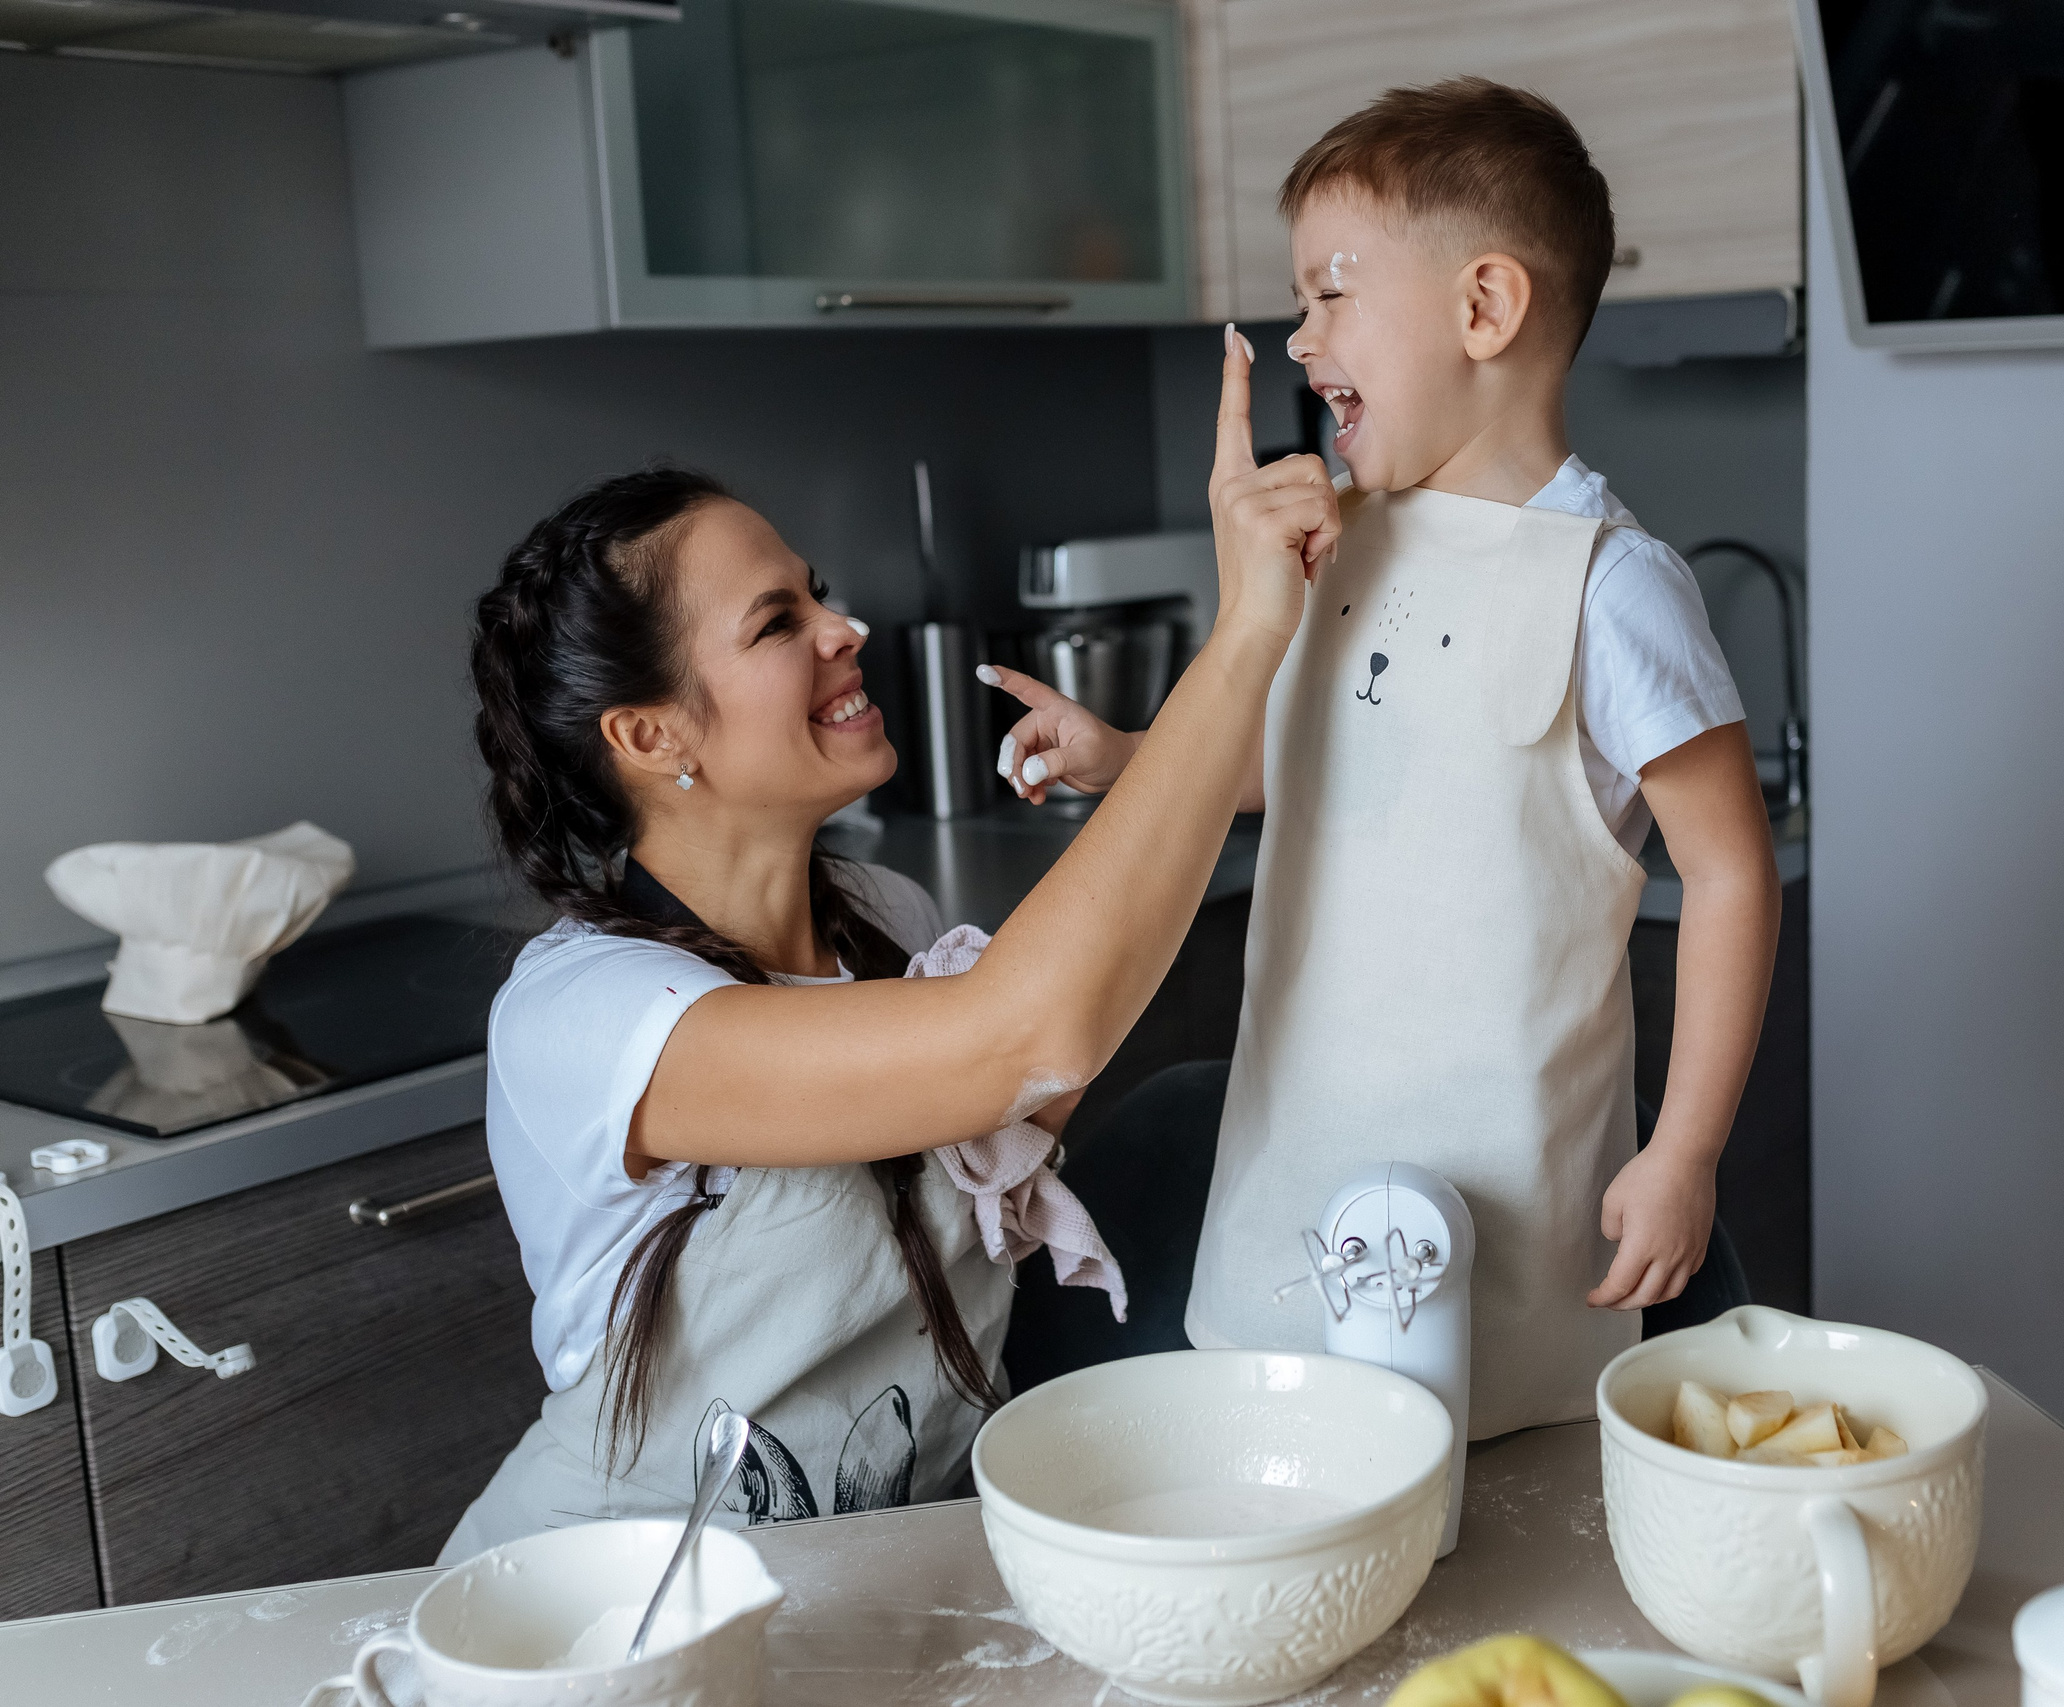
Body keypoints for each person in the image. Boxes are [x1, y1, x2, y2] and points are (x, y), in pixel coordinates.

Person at [441, 346, 1333, 1558]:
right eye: (779, 622)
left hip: (882, 1580)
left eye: (820, 595)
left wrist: (1157, 767)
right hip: (613, 1616)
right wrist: (1242, 640)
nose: (844, 630)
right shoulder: (591, 1014)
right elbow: (1024, 1037)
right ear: (650, 734)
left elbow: (1037, 1065)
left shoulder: (889, 917)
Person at [989, 78, 1781, 1436]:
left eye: (1333, 293)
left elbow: (1729, 876)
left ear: (1485, 308)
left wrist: (1684, 1150)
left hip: (1513, 1209)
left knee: (1495, 1517)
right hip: (1291, 1173)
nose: (1302, 339)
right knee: (1297, 1477)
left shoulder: (1613, 585)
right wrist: (1131, 754)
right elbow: (1310, 758)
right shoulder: (1349, 539)